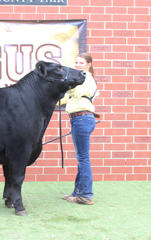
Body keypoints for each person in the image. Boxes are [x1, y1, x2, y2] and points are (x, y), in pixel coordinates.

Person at [60, 53, 98, 205]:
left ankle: (86, 195)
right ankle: (78, 192)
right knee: (82, 158)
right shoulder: (84, 78)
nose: (77, 65)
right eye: (76, 62)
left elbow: (76, 93)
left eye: (81, 63)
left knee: (83, 158)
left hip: (82, 119)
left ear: (89, 64)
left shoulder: (86, 78)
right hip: (80, 119)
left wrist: (66, 84)